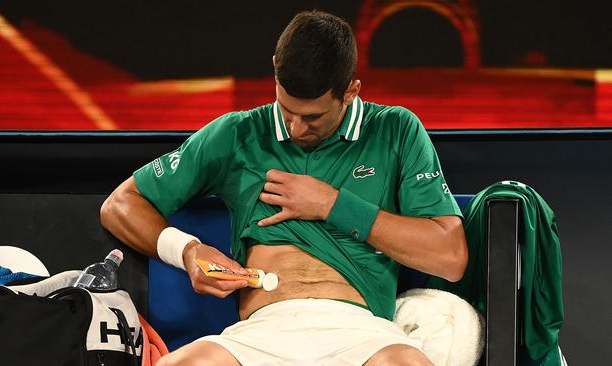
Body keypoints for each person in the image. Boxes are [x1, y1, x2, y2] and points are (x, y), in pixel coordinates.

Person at [101, 10, 467, 366]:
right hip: (260, 334)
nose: (295, 128)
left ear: (351, 91)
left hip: (364, 334)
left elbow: (449, 257)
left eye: (313, 117)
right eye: (286, 109)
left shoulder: (396, 129)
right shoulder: (237, 133)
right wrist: (187, 250)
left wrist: (331, 203)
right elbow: (120, 205)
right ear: (275, 67)